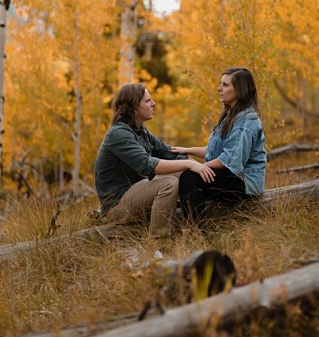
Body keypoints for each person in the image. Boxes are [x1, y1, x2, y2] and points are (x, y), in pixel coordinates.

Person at [94, 83, 216, 238]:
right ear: (133, 108)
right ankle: (160, 241)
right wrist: (189, 163)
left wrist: (200, 167)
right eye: (147, 101)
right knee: (168, 184)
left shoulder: (141, 131)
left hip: (137, 192)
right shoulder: (118, 134)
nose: (153, 104)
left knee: (184, 172)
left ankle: (197, 221)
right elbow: (149, 165)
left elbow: (169, 153)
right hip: (117, 205)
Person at [171, 67, 267, 221]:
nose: (219, 88)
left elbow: (230, 160)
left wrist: (193, 166)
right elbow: (213, 150)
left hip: (245, 184)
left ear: (240, 90)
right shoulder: (231, 115)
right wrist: (185, 150)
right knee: (186, 173)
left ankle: (196, 231)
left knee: (190, 177)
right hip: (230, 177)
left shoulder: (246, 120)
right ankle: (191, 220)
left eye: (225, 85)